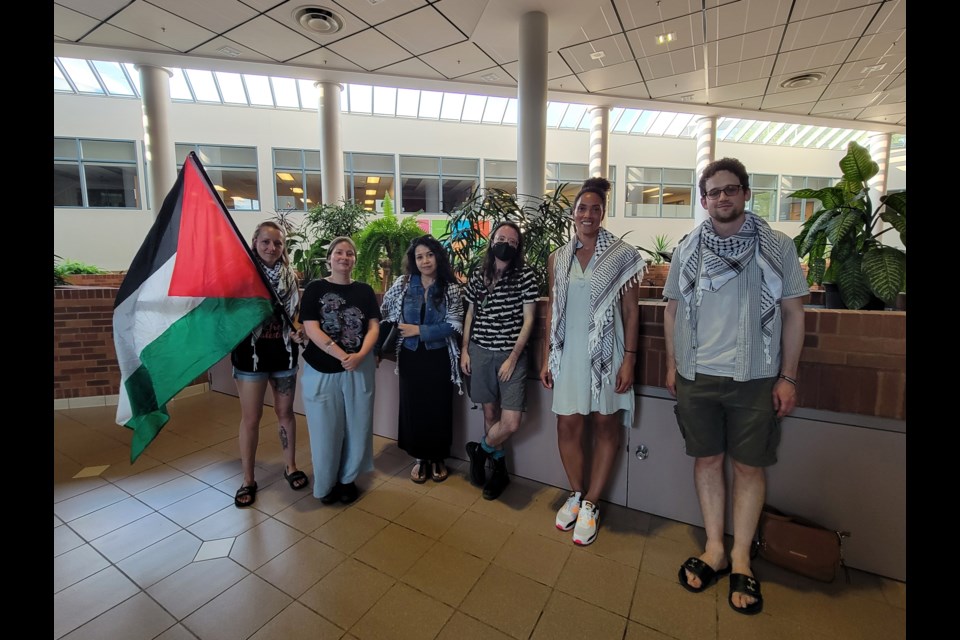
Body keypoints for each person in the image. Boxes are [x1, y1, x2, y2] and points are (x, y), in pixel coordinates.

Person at [665, 158, 806, 615]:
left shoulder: (778, 247)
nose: (722, 197)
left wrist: (787, 376)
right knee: (707, 460)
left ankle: (742, 556)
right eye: (713, 191)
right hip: (697, 373)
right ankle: (715, 548)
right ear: (704, 200)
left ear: (746, 194)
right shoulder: (688, 248)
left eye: (731, 189)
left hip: (755, 374)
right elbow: (670, 310)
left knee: (749, 466)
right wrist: (673, 364)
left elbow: (793, 314)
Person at [539, 177, 645, 546]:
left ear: (603, 213)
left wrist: (629, 360)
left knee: (604, 426)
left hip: (607, 356)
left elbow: (632, 315)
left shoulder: (623, 256)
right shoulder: (558, 258)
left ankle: (592, 503)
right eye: (582, 208)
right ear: (572, 214)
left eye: (595, 208)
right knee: (567, 426)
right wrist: (546, 358)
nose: (588, 214)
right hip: (567, 355)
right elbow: (553, 310)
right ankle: (576, 493)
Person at [232, 220, 308, 509]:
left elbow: (296, 313)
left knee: (285, 413)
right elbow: (231, 314)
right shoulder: (243, 275)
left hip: (284, 354)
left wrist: (297, 329)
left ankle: (290, 466)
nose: (271, 247)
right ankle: (248, 479)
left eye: (277, 243)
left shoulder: (290, 276)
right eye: (265, 242)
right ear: (255, 243)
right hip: (250, 355)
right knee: (251, 418)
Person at [299, 237, 381, 505]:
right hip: (321, 369)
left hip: (359, 368)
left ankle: (348, 479)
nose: (344, 257)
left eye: (349, 253)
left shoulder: (365, 291)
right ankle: (326, 484)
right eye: (338, 253)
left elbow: (373, 327)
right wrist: (342, 355)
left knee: (358, 426)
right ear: (329, 257)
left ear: (355, 259)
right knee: (325, 430)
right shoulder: (315, 288)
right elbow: (311, 327)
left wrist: (359, 356)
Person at [461, 221, 539, 500]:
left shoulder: (526, 276)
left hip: (511, 356)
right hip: (480, 352)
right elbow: (469, 314)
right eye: (501, 238)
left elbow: (529, 319)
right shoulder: (479, 274)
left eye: (512, 241)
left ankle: (479, 449)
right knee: (490, 414)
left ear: (518, 248)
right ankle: (499, 473)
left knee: (511, 422)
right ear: (492, 240)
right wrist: (465, 350)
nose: (505, 243)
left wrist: (513, 357)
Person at [379, 235, 463, 484]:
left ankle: (438, 457)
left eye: (429, 255)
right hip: (410, 355)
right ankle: (419, 458)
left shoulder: (451, 287)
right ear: (413, 261)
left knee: (438, 407)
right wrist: (397, 325)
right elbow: (386, 309)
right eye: (419, 256)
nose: (425, 260)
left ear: (437, 256)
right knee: (413, 407)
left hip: (438, 356)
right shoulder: (403, 283)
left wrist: (420, 330)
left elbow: (455, 324)